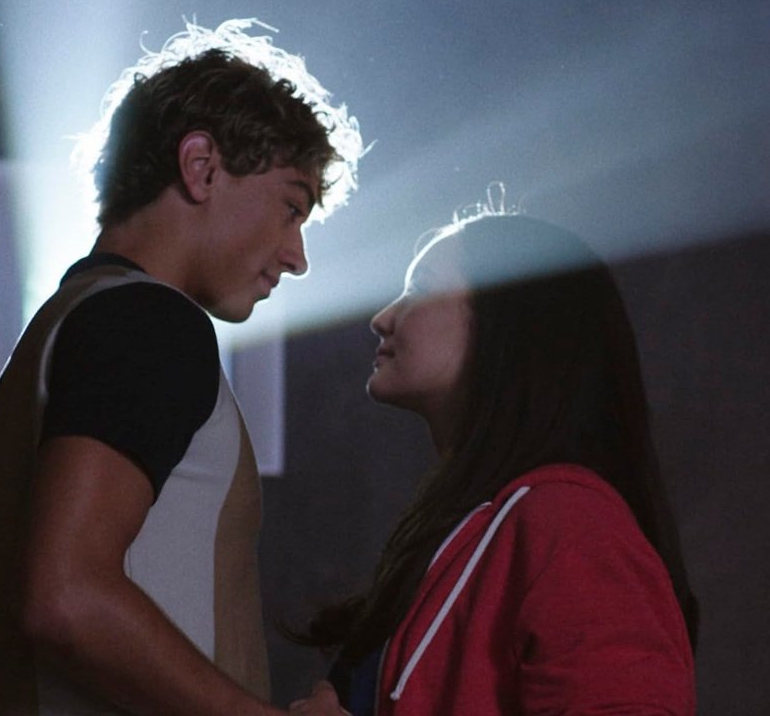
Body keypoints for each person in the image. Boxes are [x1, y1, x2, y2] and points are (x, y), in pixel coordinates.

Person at [0, 19, 362, 715]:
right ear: (201, 166)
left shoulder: (59, 330)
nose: (297, 257)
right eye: (290, 207)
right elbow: (65, 597)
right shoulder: (150, 323)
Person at [290, 206, 698, 715]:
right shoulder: (484, 523)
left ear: (506, 322)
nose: (383, 318)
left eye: (420, 289)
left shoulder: (570, 523)